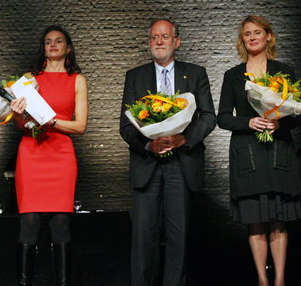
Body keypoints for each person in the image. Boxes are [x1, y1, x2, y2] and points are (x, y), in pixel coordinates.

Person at [120, 19, 216, 286]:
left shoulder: (195, 73)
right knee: (142, 237)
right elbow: (126, 126)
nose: (158, 41)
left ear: (177, 42)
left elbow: (208, 117)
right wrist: (148, 144)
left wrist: (183, 139)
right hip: (146, 163)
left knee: (179, 236)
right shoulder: (135, 76)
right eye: (153, 37)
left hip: (181, 163)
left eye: (164, 36)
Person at [218, 15, 301, 286]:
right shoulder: (232, 75)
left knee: (278, 219)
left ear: (268, 36)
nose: (252, 37)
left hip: (279, 152)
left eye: (257, 33)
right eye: (247, 34)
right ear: (242, 40)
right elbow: (222, 117)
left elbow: (298, 114)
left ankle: (279, 280)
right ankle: (262, 281)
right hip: (248, 154)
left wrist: (281, 120)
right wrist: (248, 122)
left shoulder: (285, 71)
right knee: (255, 220)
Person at [9, 25, 88, 286]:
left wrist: (51, 122)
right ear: (43, 48)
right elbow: (20, 125)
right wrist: (18, 114)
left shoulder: (77, 79)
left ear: (68, 48)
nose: (53, 45)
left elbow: (80, 126)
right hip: (32, 153)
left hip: (62, 155)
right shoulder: (29, 78)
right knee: (29, 223)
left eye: (58, 41)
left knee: (60, 223)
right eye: (47, 42)